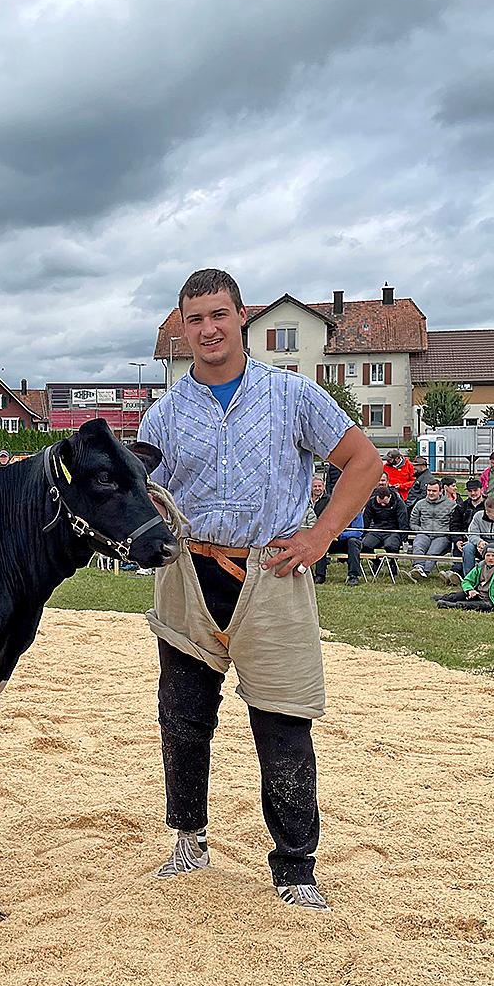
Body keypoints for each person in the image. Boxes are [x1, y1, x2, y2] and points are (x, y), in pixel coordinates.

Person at [136, 267, 380, 912]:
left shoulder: (292, 395)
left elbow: (363, 460)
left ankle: (296, 866)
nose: (208, 329)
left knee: (282, 719)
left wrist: (321, 535)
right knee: (183, 719)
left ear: (241, 317)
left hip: (274, 570)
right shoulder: (163, 415)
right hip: (190, 572)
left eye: (219, 315)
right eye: (194, 319)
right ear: (181, 328)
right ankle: (189, 839)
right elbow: (145, 497)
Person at [435, 545, 494, 612]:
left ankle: (451, 605)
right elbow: (467, 581)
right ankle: (444, 598)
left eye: (493, 556)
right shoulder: (480, 566)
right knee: (458, 595)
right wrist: (470, 590)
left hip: (491, 601)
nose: (490, 558)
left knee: (473, 605)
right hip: (478, 594)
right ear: (484, 556)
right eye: (488, 555)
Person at [408, 478, 457, 579]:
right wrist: (420, 530)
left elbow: (454, 524)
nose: (431, 493)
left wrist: (446, 532)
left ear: (441, 491)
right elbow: (413, 522)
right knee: (418, 546)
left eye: (434, 491)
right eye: (429, 490)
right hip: (424, 533)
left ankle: (424, 571)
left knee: (433, 552)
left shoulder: (451, 505)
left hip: (442, 536)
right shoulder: (420, 504)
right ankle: (418, 567)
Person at [354, 484, 406, 577]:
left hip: (393, 531)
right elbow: (366, 519)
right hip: (376, 530)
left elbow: (403, 520)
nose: (382, 504)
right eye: (380, 502)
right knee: (364, 545)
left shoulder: (399, 503)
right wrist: (363, 533)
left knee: (391, 546)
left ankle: (392, 563)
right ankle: (377, 562)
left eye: (384, 502)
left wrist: (403, 538)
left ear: (390, 496)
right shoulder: (371, 502)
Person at [461, 496, 494, 575]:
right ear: (487, 512)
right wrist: (479, 542)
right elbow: (472, 534)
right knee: (468, 548)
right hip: (481, 546)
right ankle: (469, 578)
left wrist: (490, 549)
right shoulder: (478, 516)